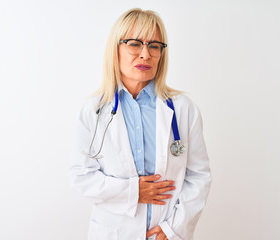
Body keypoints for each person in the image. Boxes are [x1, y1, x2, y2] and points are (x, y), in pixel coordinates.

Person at [69, 8, 211, 240]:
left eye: (154, 45)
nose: (145, 54)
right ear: (116, 49)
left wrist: (174, 229)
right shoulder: (93, 111)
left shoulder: (183, 109)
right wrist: (134, 192)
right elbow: (81, 176)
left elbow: (199, 176)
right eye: (134, 44)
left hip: (164, 233)